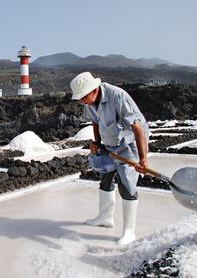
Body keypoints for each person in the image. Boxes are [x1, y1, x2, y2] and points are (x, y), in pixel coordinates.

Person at [70, 72, 149, 245]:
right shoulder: (89, 101)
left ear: (93, 90)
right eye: (80, 99)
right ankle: (105, 218)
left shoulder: (117, 96)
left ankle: (129, 231)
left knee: (126, 184)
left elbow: (137, 128)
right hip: (109, 142)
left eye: (83, 97)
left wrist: (142, 159)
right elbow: (95, 122)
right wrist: (96, 143)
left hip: (129, 143)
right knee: (105, 177)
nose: (82, 101)